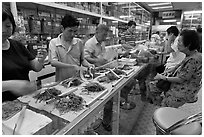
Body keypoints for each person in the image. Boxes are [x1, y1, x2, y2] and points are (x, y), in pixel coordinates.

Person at [84, 24, 136, 132]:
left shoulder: (102, 43)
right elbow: (86, 58)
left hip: (103, 70)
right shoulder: (90, 43)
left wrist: (108, 59)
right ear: (97, 32)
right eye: (104, 34)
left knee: (127, 83)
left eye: (106, 34)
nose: (105, 37)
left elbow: (102, 56)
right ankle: (97, 123)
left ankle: (108, 117)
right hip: (95, 74)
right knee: (103, 98)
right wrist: (97, 61)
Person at [2, 6, 47, 102]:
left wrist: (40, 60)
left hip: (25, 100)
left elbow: (36, 67)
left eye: (7, 26)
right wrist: (13, 85)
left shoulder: (17, 45)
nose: (3, 30)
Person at [147, 29, 202, 108]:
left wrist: (164, 77)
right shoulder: (192, 54)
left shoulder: (193, 59)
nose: (177, 44)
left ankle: (163, 108)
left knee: (157, 93)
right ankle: (160, 104)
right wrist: (170, 71)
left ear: (188, 44)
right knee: (152, 85)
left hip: (184, 91)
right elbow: (181, 65)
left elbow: (181, 79)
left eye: (179, 42)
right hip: (182, 84)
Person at [49, 14, 94, 82]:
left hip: (78, 80)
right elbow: (53, 62)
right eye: (70, 31)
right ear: (62, 28)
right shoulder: (54, 43)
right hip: (61, 82)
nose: (73, 34)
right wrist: (72, 66)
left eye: (75, 31)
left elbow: (82, 60)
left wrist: (89, 65)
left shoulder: (79, 43)